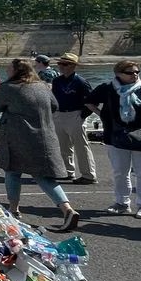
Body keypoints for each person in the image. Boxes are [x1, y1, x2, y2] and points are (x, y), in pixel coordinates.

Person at [0, 58, 80, 232]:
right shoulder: (42, 86)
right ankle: (67, 209)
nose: (7, 71)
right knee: (44, 176)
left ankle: (14, 209)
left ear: (17, 71)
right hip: (44, 136)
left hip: (17, 136)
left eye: (9, 68)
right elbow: (54, 106)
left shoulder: (8, 88)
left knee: (12, 171)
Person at [86, 60, 141, 220]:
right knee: (120, 172)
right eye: (130, 72)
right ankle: (122, 203)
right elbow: (89, 101)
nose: (135, 75)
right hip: (116, 135)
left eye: (137, 72)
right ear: (118, 73)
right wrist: (102, 114)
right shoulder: (107, 88)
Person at [50, 52, 97, 184]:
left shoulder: (81, 82)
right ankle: (68, 171)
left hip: (75, 114)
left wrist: (82, 116)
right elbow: (53, 99)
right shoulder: (57, 81)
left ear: (73, 66)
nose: (61, 66)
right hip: (59, 115)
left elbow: (92, 101)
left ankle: (88, 175)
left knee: (81, 147)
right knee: (62, 146)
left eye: (64, 64)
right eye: (60, 63)